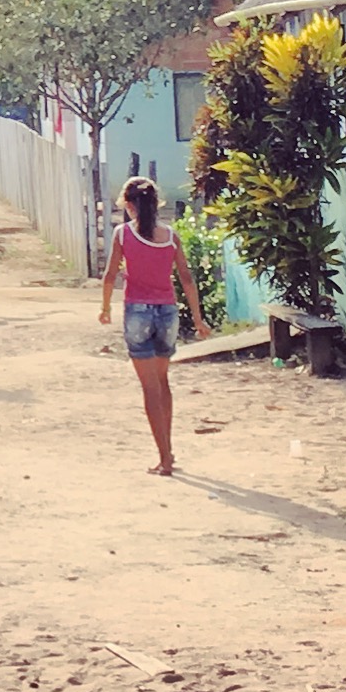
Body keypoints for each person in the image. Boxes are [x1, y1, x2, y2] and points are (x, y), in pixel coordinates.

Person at [97, 176, 207, 476]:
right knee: (163, 383)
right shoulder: (171, 236)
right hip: (168, 313)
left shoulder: (122, 235)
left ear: (129, 206)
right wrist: (197, 319)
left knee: (149, 389)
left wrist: (105, 307)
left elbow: (110, 276)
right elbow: (186, 278)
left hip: (138, 313)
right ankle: (168, 450)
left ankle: (164, 458)